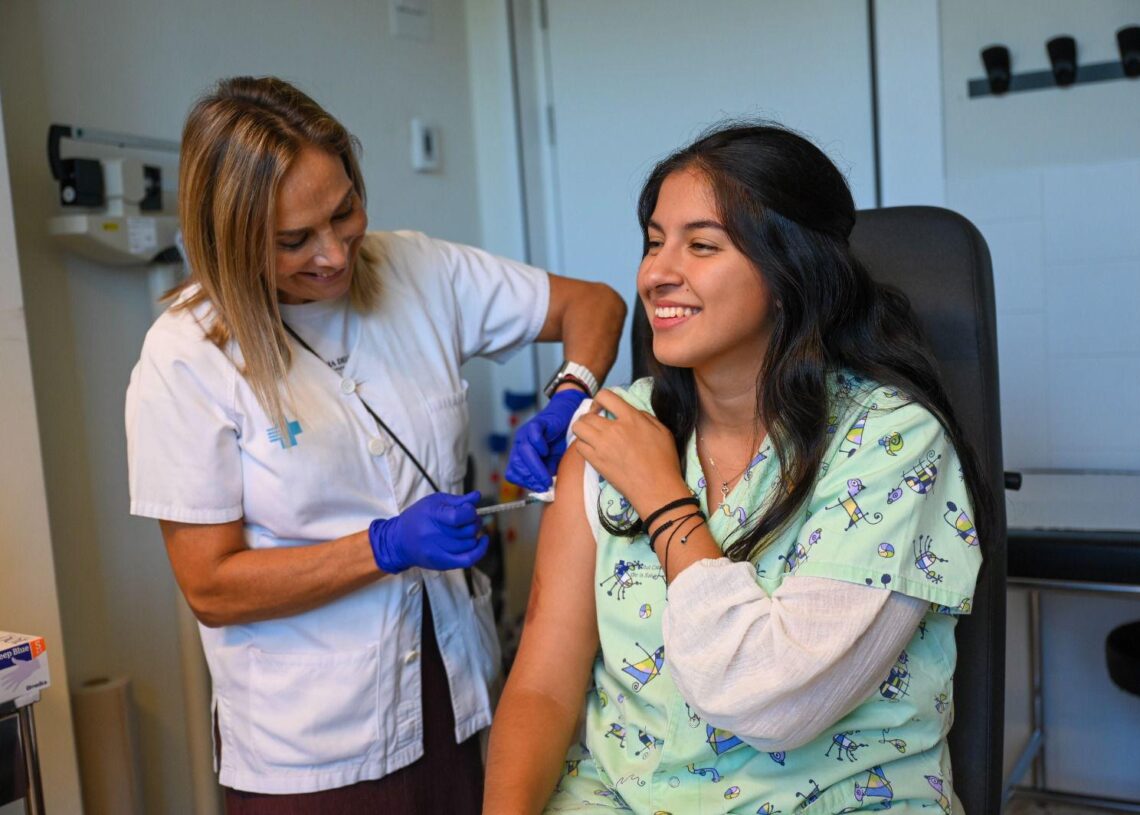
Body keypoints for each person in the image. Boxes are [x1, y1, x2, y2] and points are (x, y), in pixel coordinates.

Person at [124, 76, 625, 813]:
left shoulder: (417, 269)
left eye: (344, 212)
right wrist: (383, 546)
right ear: (231, 240)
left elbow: (595, 304)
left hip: (454, 695)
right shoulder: (184, 358)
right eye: (294, 241)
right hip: (310, 745)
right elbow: (212, 586)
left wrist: (571, 391)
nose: (333, 254)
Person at [483, 123, 992, 813]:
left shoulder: (890, 443)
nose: (657, 272)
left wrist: (664, 500)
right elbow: (543, 684)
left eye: (701, 245)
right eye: (654, 241)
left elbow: (773, 699)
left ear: (789, 272)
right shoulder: (615, 432)